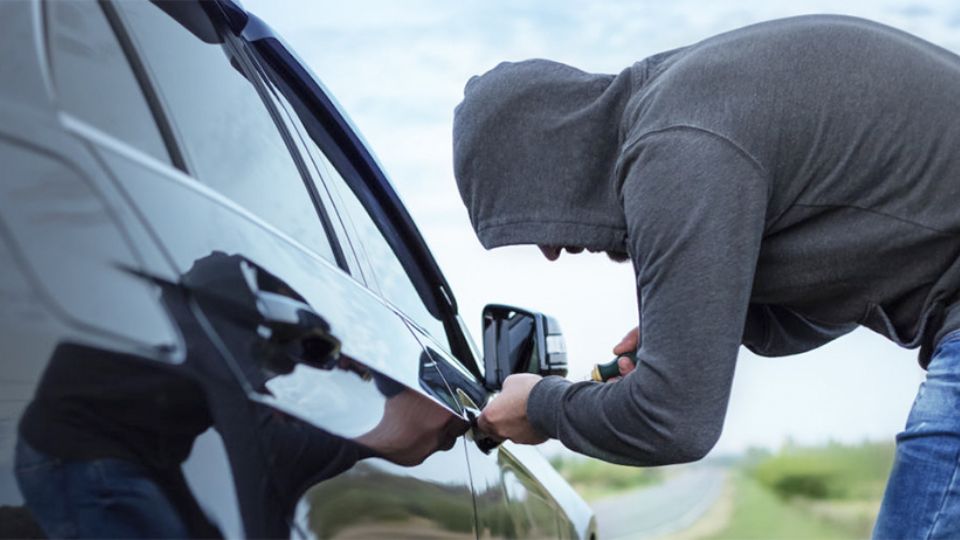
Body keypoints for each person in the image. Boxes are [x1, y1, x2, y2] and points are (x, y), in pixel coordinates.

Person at [453, 14, 960, 539]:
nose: (551, 251)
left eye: (528, 218)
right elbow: (852, 293)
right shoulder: (687, 111)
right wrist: (711, 321)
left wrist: (540, 406)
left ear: (548, 161)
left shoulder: (676, 149)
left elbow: (672, 422)